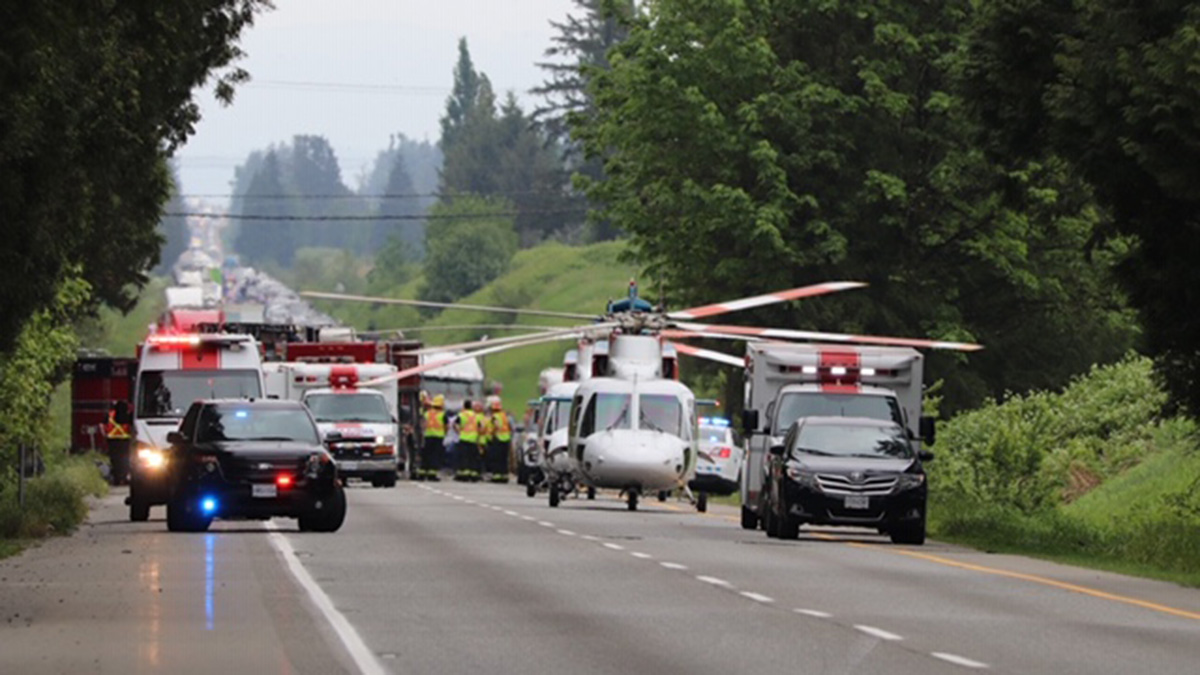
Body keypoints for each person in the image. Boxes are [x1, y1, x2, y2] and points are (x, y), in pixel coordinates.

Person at [420, 394, 446, 481]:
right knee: (435, 456)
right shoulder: (443, 415)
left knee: (426, 455)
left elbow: (423, 424)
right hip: (438, 437)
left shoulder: (427, 413)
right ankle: (432, 474)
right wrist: (444, 433)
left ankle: (423, 472)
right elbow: (447, 426)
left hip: (428, 436)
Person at [487, 399, 513, 483]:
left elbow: (497, 425)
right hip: (506, 439)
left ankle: (497, 475)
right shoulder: (504, 415)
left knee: (497, 458)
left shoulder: (495, 416)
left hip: (498, 438)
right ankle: (504, 475)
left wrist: (493, 433)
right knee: (504, 458)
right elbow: (509, 427)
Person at [455, 399, 479, 481]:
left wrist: (459, 432)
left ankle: (464, 475)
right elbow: (481, 426)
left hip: (464, 438)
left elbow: (456, 424)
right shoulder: (475, 415)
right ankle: (473, 475)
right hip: (473, 439)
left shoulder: (461, 415)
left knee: (464, 457)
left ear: (464, 406)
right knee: (472, 458)